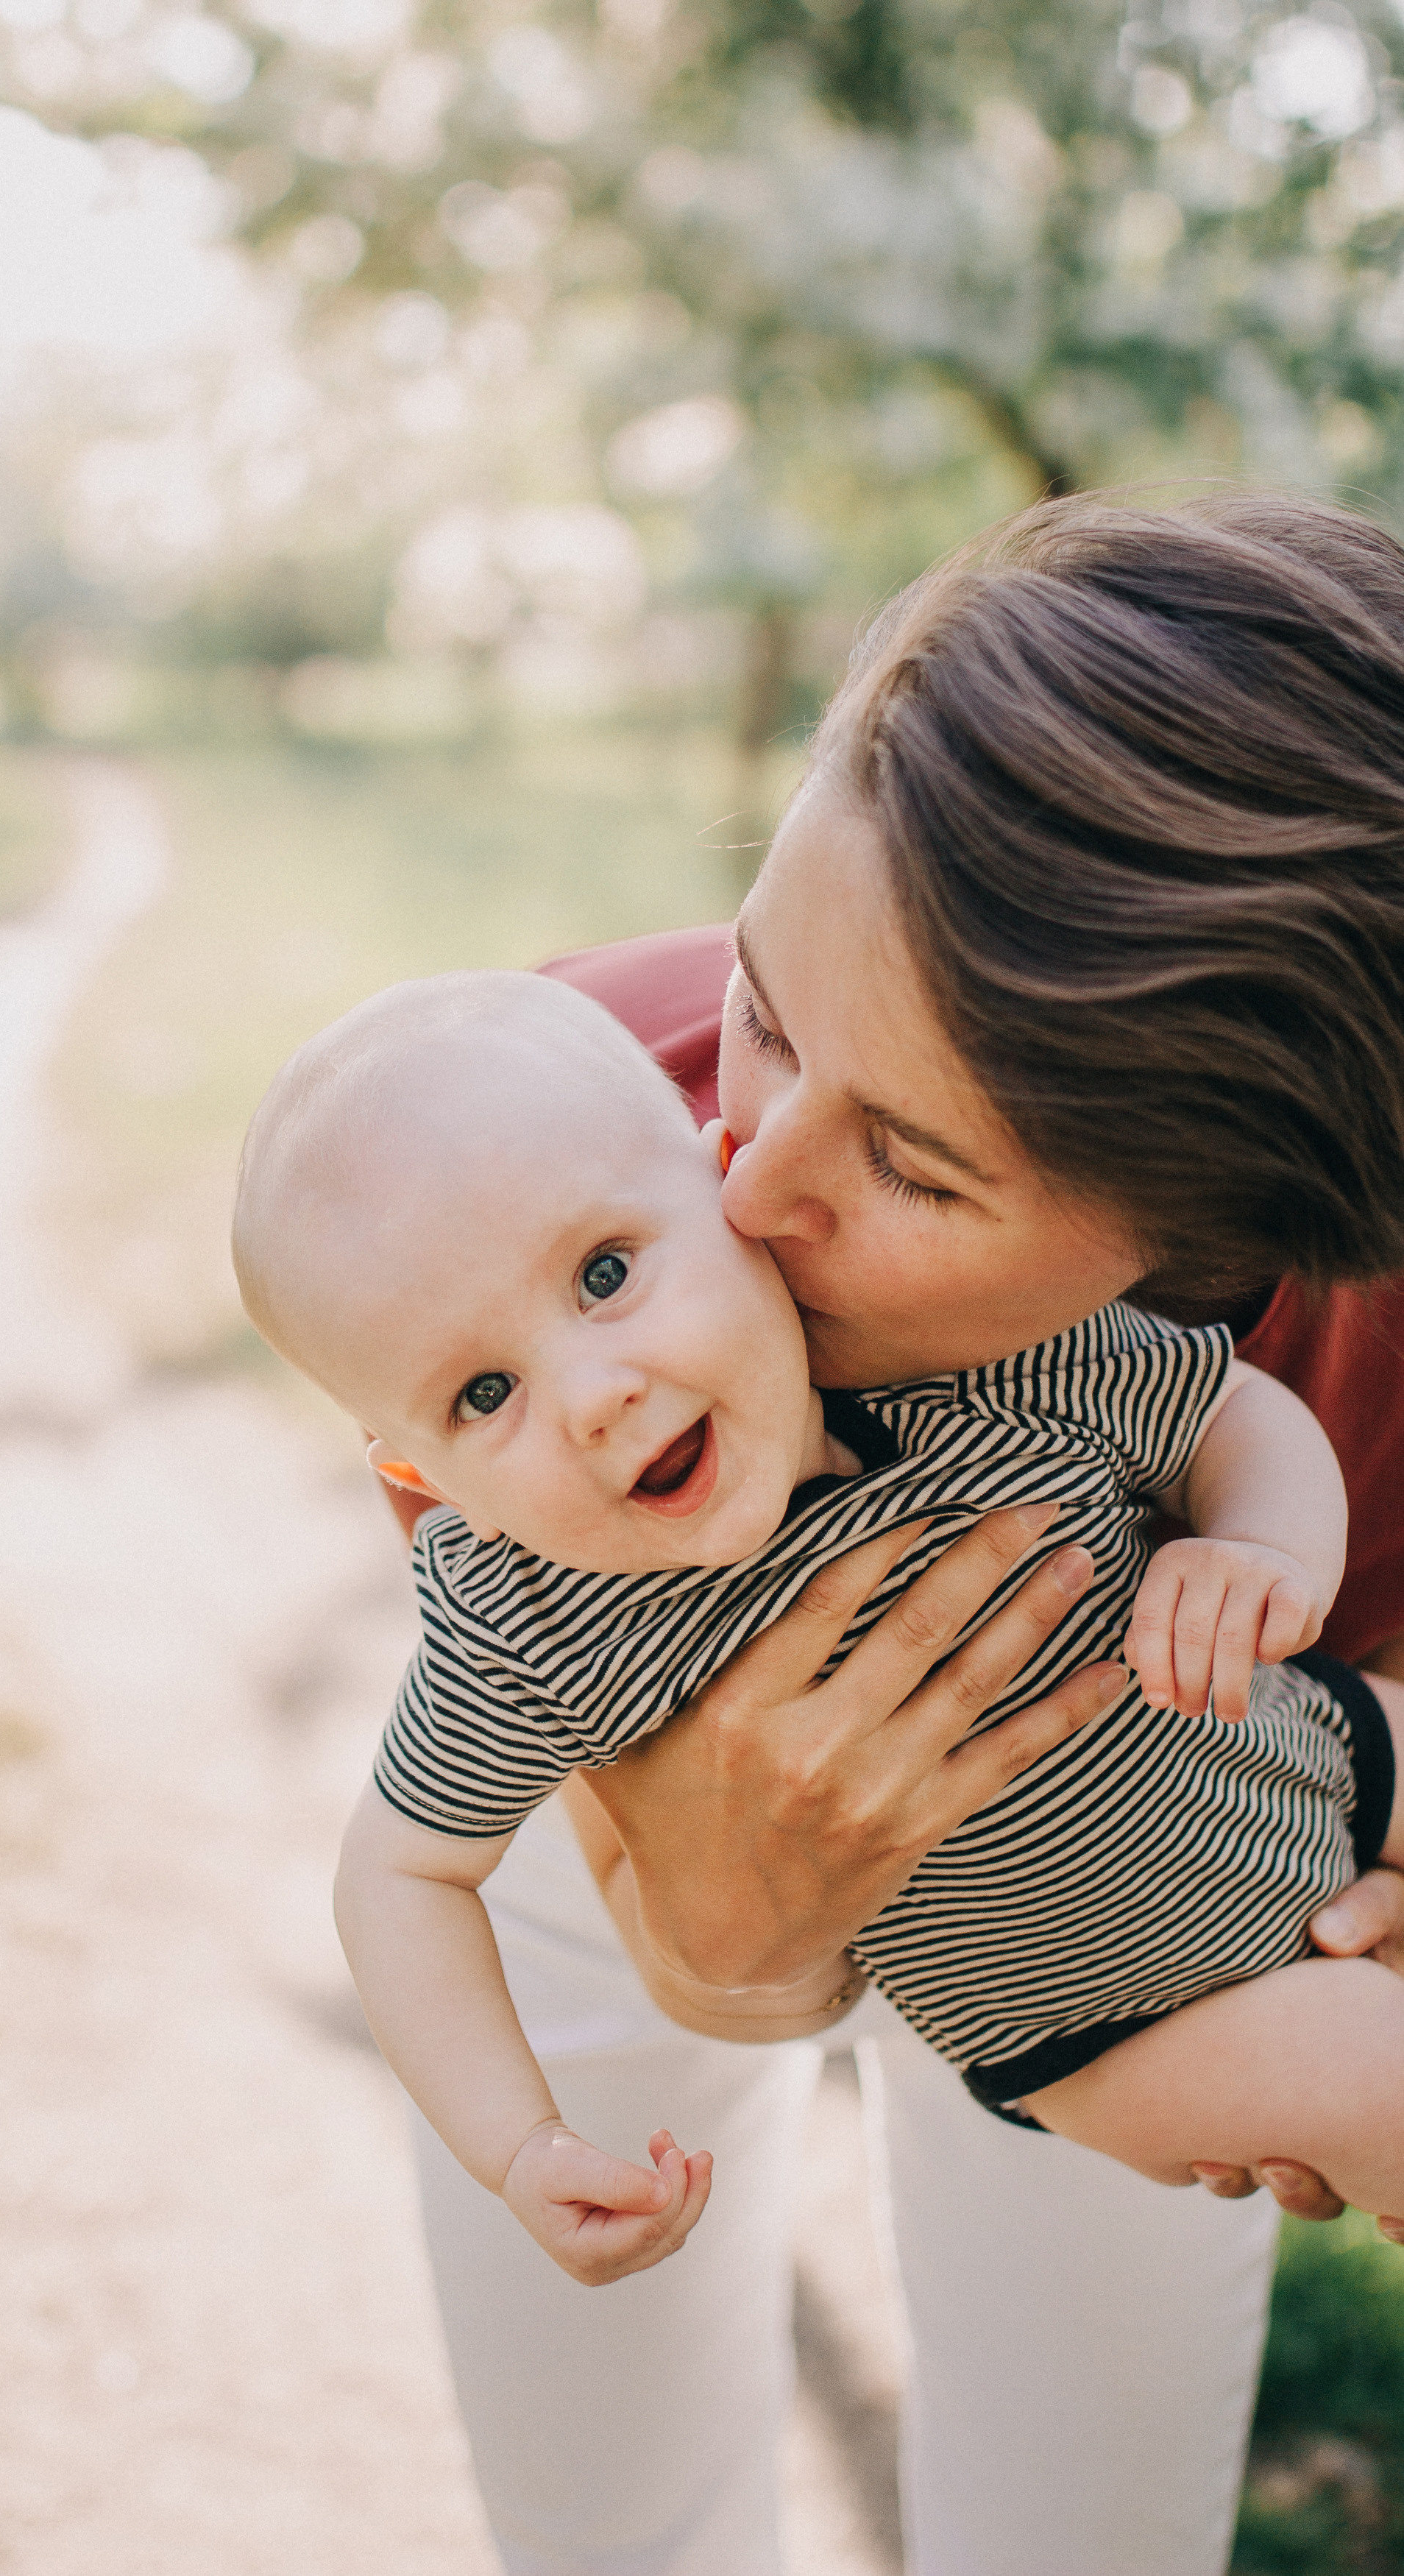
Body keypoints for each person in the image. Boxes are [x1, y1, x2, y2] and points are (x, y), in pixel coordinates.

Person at [351, 492, 1404, 2576]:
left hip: (1148, 1871)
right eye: (768, 1003)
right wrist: (723, 1953)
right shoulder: (522, 1195)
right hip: (641, 1793)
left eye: (909, 1166)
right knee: (601, 2500)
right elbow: (613, 1881)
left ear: (1185, 1262)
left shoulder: (1345, 1352)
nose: (738, 1187)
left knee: (1088, 2510)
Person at [233, 966, 1403, 2283]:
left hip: (1334, 1737)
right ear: (417, 1476)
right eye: (483, 1391)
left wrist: (1256, 1546)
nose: (591, 1398)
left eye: (605, 1274)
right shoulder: (530, 1620)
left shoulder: (944, 1339)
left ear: (723, 1187)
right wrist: (516, 2142)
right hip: (1135, 2014)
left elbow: (1222, 1414)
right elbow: (397, 1876)